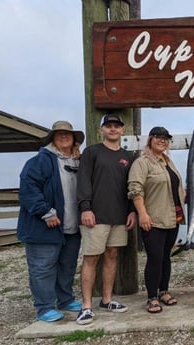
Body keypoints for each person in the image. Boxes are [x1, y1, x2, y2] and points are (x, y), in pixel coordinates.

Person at [17, 120, 85, 322]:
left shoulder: (77, 162)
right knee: (43, 267)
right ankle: (44, 307)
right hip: (44, 226)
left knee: (67, 265)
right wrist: (45, 212)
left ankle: (65, 299)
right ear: (52, 138)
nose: (64, 137)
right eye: (59, 134)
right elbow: (28, 190)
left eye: (68, 134)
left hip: (72, 226)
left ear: (74, 139)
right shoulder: (39, 161)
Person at [76, 114, 136, 325]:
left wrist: (132, 211)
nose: (113, 129)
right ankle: (86, 306)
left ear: (122, 130)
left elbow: (131, 187)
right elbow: (83, 181)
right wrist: (85, 208)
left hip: (119, 216)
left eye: (116, 126)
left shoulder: (128, 156)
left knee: (112, 256)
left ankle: (107, 300)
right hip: (95, 216)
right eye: (108, 126)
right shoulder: (91, 152)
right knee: (91, 258)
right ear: (102, 129)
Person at [128, 127, 185, 313]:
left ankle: (164, 291)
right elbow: (135, 189)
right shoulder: (142, 162)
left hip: (173, 218)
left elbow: (175, 188)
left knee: (166, 257)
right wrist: (142, 214)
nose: (162, 141)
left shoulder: (168, 161)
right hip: (153, 219)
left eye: (166, 138)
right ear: (150, 140)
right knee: (155, 258)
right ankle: (151, 297)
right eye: (158, 137)